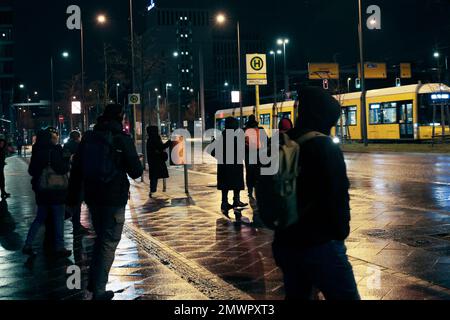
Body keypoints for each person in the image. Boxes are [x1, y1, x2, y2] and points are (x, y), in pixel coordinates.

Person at [272, 87, 360, 300]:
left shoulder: (281, 143)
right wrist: (340, 233)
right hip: (320, 243)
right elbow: (337, 196)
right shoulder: (324, 146)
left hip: (285, 242)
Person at [67, 104, 143, 300]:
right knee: (108, 242)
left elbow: (76, 171)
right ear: (120, 117)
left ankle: (94, 283)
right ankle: (98, 289)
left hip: (92, 197)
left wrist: (72, 200)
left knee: (101, 238)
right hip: (114, 197)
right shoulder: (122, 139)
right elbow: (136, 171)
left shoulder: (89, 138)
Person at [23, 128, 71, 257]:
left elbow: (31, 171)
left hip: (42, 191)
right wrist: (66, 161)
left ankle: (28, 244)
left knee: (39, 218)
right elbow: (62, 169)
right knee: (58, 218)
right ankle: (59, 247)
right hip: (56, 191)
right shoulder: (54, 150)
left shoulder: (37, 151)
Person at [210, 117, 248, 213]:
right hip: (235, 165)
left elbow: (213, 151)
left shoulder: (220, 137)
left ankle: (224, 202)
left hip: (224, 166)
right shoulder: (236, 137)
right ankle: (236, 200)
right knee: (236, 184)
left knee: (225, 185)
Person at [63, 130, 87, 234]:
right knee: (78, 201)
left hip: (67, 177)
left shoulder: (65, 146)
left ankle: (74, 220)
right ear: (78, 137)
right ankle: (75, 222)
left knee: (73, 200)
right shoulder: (79, 146)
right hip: (78, 177)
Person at [146, 126, 170, 198]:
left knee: (154, 176)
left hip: (153, 161)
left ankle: (152, 190)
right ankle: (153, 190)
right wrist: (169, 142)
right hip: (157, 161)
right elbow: (161, 147)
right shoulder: (155, 139)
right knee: (155, 176)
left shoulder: (150, 139)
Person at [244, 115, 263, 199]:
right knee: (258, 173)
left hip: (248, 154)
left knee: (249, 173)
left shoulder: (245, 130)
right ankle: (257, 190)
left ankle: (250, 191)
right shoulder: (260, 130)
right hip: (259, 154)